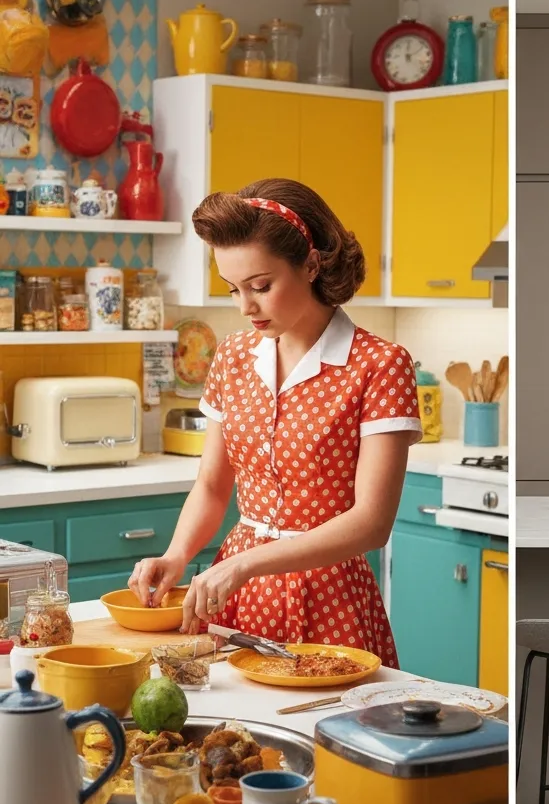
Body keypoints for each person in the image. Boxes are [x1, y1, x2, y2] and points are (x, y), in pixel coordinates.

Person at [128, 178, 422, 667]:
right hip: (237, 597)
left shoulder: (379, 365)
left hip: (329, 598)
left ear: (310, 264)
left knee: (325, 736)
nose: (246, 306)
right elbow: (212, 484)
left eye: (261, 286)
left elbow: (372, 523)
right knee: (236, 737)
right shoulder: (234, 355)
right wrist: (177, 555)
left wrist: (245, 564)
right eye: (234, 289)